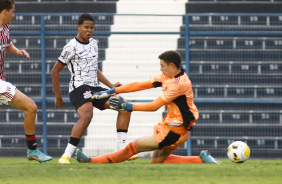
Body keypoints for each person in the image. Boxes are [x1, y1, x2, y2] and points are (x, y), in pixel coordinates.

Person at [75, 50, 221, 164]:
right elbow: (140, 85)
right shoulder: (167, 77)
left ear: (172, 66)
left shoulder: (179, 84)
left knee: (132, 147)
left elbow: (154, 106)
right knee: (156, 160)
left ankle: (91, 160)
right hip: (173, 128)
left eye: (162, 65)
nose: (160, 69)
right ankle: (202, 159)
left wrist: (127, 106)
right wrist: (112, 90)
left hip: (175, 131)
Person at [52, 13, 134, 164]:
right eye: (86, 27)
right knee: (87, 116)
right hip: (79, 88)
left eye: (91, 28)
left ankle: (121, 151)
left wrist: (111, 86)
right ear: (78, 27)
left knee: (124, 106)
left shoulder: (94, 43)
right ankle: (66, 155)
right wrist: (58, 96)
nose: (89, 30)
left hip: (94, 88)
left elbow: (94, 69)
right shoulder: (71, 47)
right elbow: (55, 70)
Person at [0, 0, 52, 162]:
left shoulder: (6, 28)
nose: (14, 15)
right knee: (31, 107)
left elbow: (6, 44)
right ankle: (33, 150)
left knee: (30, 108)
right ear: (5, 11)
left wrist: (18, 51)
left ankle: (32, 150)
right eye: (12, 11)